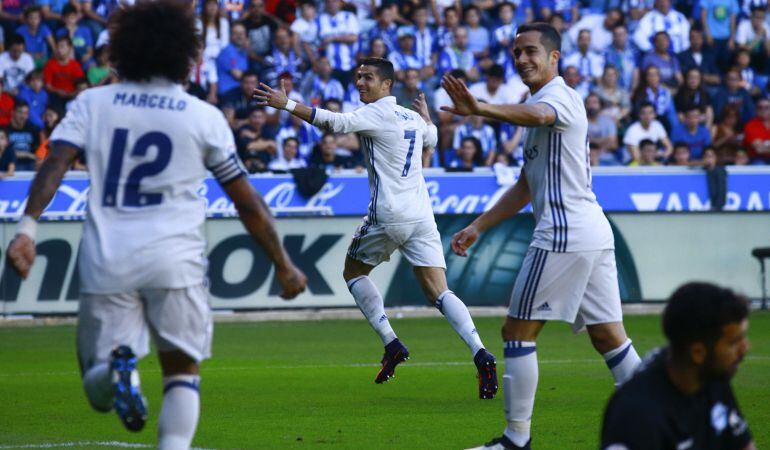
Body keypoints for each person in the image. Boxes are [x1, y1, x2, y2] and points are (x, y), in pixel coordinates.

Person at [4, 3, 307, 449]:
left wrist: (28, 227)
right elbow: (248, 203)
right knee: (182, 372)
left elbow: (54, 164)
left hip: (108, 259)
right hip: (176, 261)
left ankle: (116, 370)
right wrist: (283, 264)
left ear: (124, 50)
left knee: (96, 386)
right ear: (184, 54)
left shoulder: (92, 103)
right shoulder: (202, 116)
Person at [439, 23, 642, 450]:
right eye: (517, 53)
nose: (522, 59)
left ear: (554, 57)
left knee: (517, 332)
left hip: (564, 232)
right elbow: (524, 187)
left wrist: (480, 108)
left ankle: (516, 440)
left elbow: (542, 115)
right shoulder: (535, 104)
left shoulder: (558, 98)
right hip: (590, 231)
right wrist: (479, 226)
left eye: (531, 51)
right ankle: (666, 421)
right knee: (609, 337)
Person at [253, 57, 499, 398]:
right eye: (357, 77)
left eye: (368, 77)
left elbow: (334, 124)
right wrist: (426, 115)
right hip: (421, 216)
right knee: (439, 293)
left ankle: (392, 343)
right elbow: (431, 136)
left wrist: (288, 104)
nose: (360, 83)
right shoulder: (411, 116)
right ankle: (481, 352)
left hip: (388, 214)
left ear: (387, 84)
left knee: (353, 273)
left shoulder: (376, 112)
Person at [601, 282, 755, 450]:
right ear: (698, 353)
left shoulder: (712, 377)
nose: (745, 348)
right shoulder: (637, 415)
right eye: (734, 342)